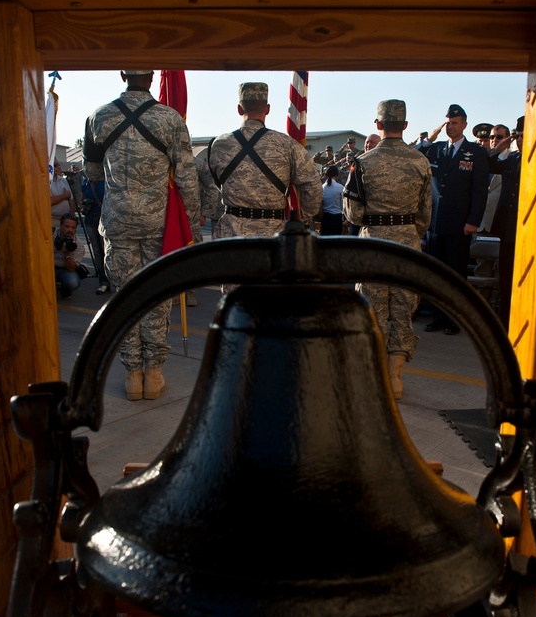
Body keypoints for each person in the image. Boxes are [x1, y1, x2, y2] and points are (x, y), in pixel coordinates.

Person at [83, 69, 199, 401]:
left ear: (123, 74)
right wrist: (189, 223)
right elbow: (187, 177)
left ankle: (132, 375)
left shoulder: (98, 117)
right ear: (151, 76)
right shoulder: (170, 119)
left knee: (124, 297)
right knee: (157, 296)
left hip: (117, 220)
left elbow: (92, 174)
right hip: (158, 223)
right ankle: (154, 373)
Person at [344, 99, 432, 400]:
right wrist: (408, 230)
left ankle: (374, 372)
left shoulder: (363, 162)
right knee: (404, 309)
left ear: (378, 125)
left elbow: (353, 215)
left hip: (373, 241)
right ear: (404, 126)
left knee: (372, 308)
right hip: (407, 240)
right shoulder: (421, 161)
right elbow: (425, 214)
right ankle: (395, 375)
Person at [206, 82, 321, 256]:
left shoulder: (219, 145)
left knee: (234, 282)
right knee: (269, 283)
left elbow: (217, 183)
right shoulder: (287, 145)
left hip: (232, 234)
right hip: (273, 235)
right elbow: (312, 187)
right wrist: (302, 218)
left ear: (239, 109)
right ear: (267, 109)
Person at [419, 103, 489, 335]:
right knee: (437, 274)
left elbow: (480, 190)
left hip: (460, 224)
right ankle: (439, 316)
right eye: (448, 123)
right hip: (436, 222)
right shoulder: (437, 149)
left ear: (465, 125)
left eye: (455, 123)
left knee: (456, 275)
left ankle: (455, 320)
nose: (451, 127)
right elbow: (416, 153)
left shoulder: (475, 152)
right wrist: (430, 137)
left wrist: (473, 220)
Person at [486, 117, 524, 329]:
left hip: (526, 228)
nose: (519, 141)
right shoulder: (511, 158)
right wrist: (501, 145)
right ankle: (506, 320)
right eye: (517, 136)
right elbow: (489, 163)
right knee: (506, 278)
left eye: (523, 136)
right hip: (508, 227)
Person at [53, 213, 86, 299]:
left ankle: (65, 288)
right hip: (46, 267)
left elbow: (71, 268)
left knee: (72, 282)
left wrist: (66, 254)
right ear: (60, 225)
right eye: (67, 227)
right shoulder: (50, 235)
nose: (70, 230)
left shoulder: (78, 245)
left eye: (73, 228)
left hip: (64, 269)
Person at [49, 161, 74, 229]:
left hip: (65, 220)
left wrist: (72, 217)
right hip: (52, 221)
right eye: (55, 165)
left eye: (59, 165)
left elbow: (70, 200)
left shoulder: (63, 180)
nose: (58, 167)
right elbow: (48, 201)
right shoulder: (45, 182)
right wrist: (64, 196)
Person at [319, 165, 344, 235]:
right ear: (336, 175)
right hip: (337, 218)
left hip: (325, 218)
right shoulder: (340, 187)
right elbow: (343, 206)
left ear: (326, 175)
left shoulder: (322, 187)